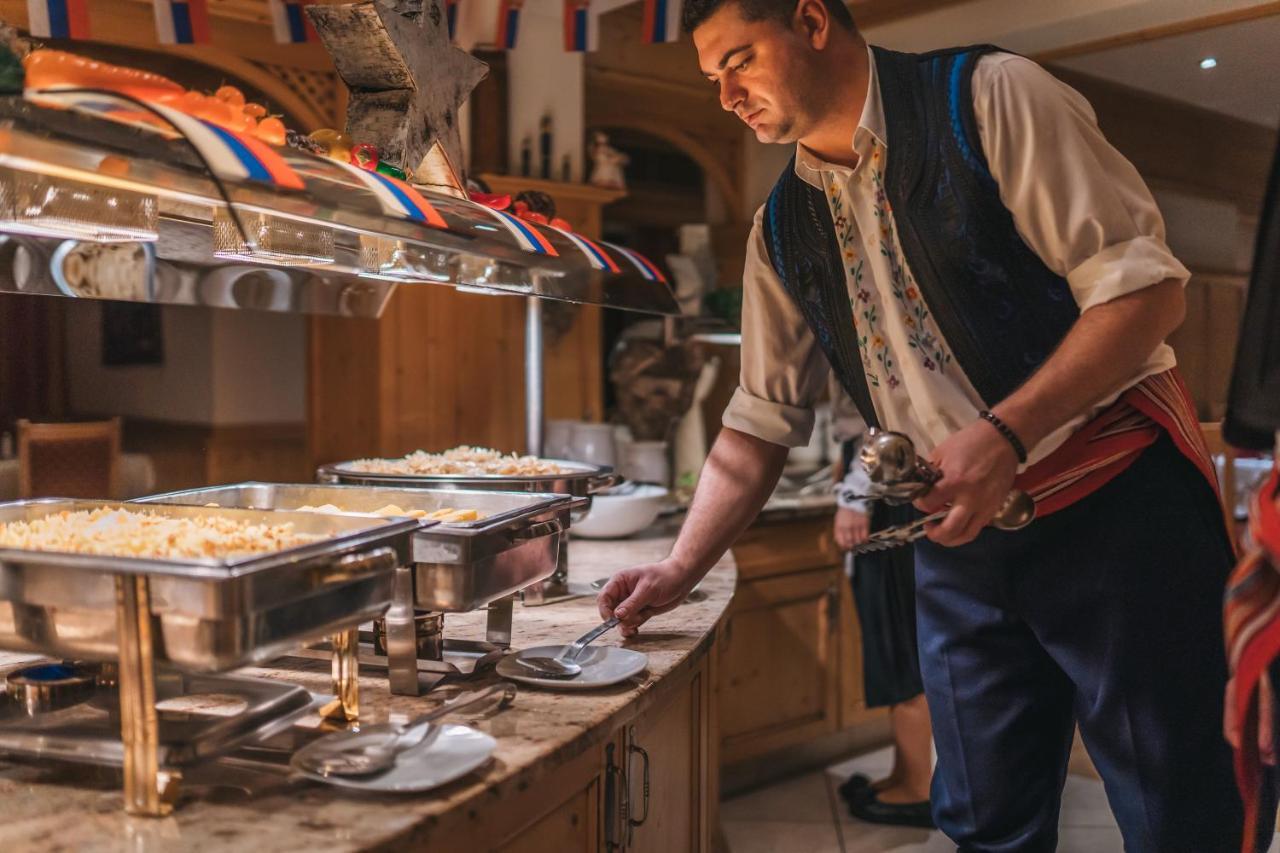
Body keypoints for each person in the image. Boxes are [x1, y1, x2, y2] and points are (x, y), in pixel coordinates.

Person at [596, 0, 1263, 849]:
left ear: (809, 21)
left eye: (740, 59)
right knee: (982, 822)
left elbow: (1143, 294)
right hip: (960, 546)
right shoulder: (781, 229)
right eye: (711, 77)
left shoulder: (987, 100)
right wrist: (681, 565)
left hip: (1121, 510)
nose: (726, 95)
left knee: (1184, 811)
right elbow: (759, 421)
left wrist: (1006, 434)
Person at [832, 407, 933, 828]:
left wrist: (854, 495)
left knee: (902, 654)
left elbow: (891, 426)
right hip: (887, 506)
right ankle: (905, 775)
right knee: (894, 649)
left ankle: (917, 790)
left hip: (891, 509)